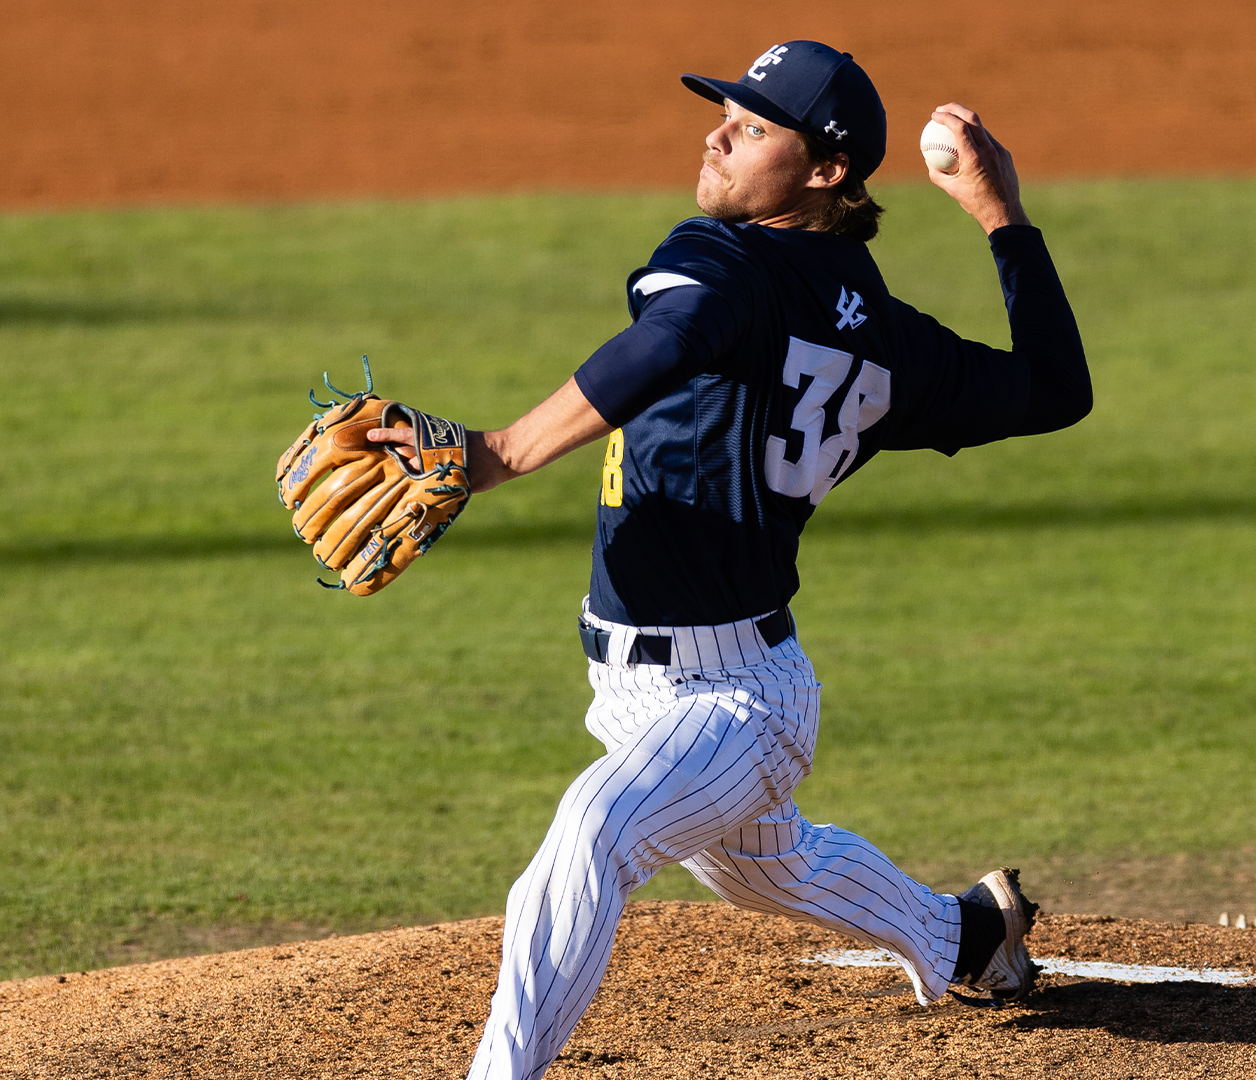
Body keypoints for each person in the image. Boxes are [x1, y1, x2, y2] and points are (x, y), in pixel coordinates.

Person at [370, 40, 1092, 1080]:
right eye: (725, 111)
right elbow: (1054, 388)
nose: (716, 131)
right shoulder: (891, 341)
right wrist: (1000, 215)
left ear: (824, 173)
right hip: (682, 679)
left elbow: (683, 330)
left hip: (736, 699)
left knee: (594, 831)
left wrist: (498, 454)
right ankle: (972, 934)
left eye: (752, 127)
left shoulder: (730, 260)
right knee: (772, 865)